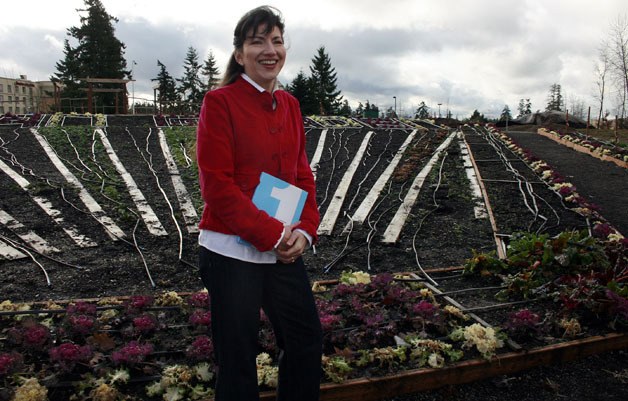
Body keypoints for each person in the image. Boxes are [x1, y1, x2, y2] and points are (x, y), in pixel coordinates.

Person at [195, 5, 322, 401]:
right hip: (231, 250)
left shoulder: (290, 106)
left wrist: (304, 230)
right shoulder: (220, 103)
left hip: (282, 248)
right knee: (238, 360)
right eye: (257, 41)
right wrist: (272, 235)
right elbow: (217, 186)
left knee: (305, 341)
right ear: (239, 55)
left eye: (277, 40)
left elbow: (301, 175)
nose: (270, 50)